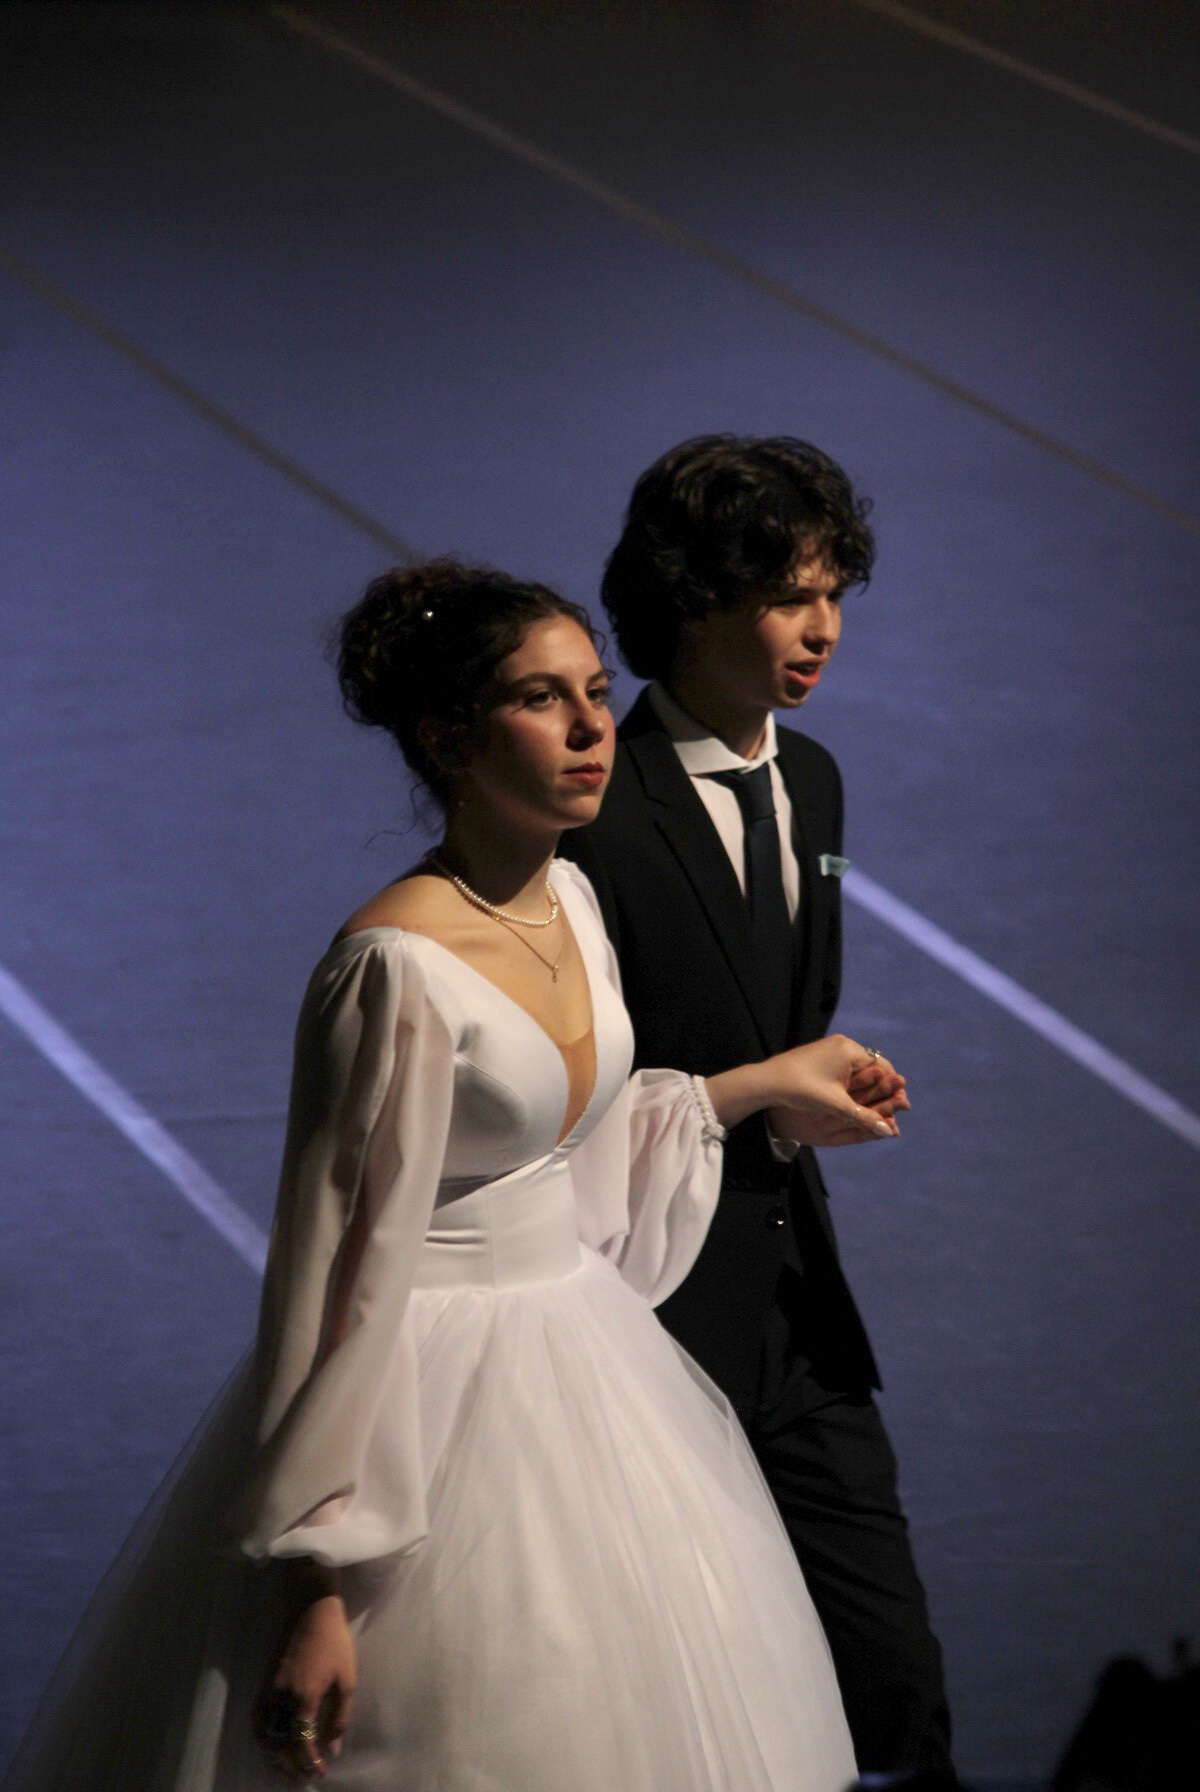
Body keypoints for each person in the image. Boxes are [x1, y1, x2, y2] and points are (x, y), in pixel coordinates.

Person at [4, 558, 909, 1792]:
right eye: (543, 699)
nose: (592, 727)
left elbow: (565, 1169)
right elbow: (330, 1277)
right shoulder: (393, 968)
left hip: (582, 1367)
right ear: (447, 738)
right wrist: (319, 1584)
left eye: (595, 691)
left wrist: (752, 1089)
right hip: (424, 1418)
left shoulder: (572, 900)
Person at [562, 435, 959, 1788]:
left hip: (802, 1313)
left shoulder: (817, 779)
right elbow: (559, 1101)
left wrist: (811, 1100)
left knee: (896, 1683)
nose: (825, 628)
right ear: (695, 601)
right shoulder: (592, 812)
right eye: (792, 596)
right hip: (647, 1316)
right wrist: (764, 1091)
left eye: (834, 594)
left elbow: (774, 1012)